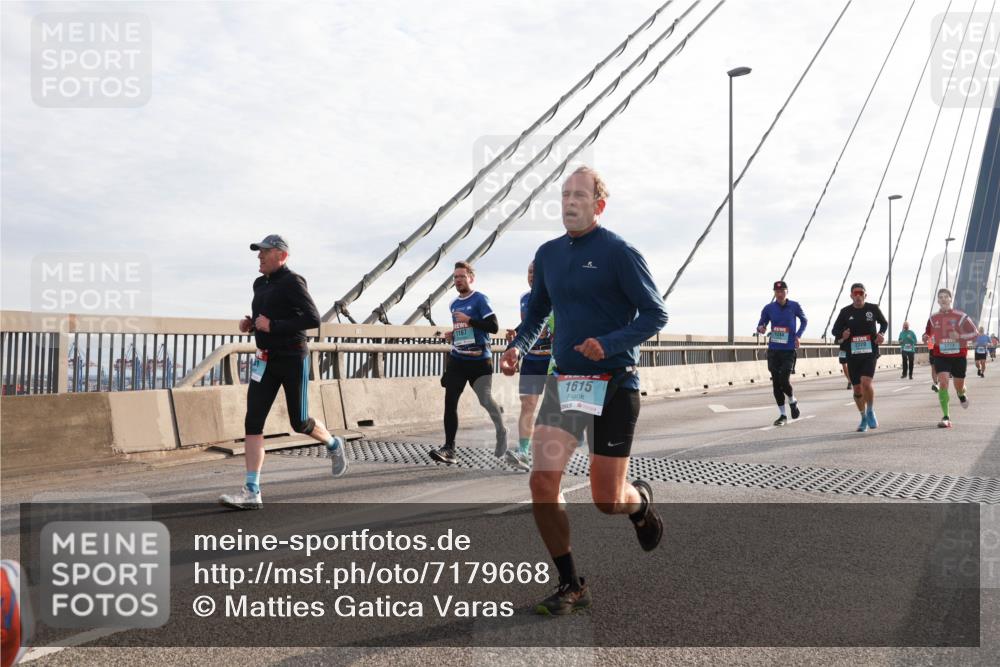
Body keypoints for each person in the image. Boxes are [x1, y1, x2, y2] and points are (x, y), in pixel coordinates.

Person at [501, 166, 668, 616]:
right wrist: (517, 346)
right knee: (542, 480)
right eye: (564, 195)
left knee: (605, 498)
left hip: (615, 382)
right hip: (568, 382)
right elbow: (536, 313)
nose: (569, 202)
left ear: (598, 205)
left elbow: (656, 314)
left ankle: (640, 505)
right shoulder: (549, 254)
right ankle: (571, 583)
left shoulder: (619, 252)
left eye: (579, 195)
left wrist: (609, 344)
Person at [220, 235, 348, 511]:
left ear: (281, 255)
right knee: (252, 422)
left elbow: (312, 319)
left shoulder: (293, 281)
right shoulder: (259, 284)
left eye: (264, 252)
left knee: (299, 421)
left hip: (292, 358)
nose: (259, 257)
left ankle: (333, 443)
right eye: (259, 252)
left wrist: (273, 325)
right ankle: (252, 490)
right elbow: (266, 318)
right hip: (264, 360)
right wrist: (252, 325)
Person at [429, 261, 510, 465]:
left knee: (485, 401)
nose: (458, 280)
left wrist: (469, 320)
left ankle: (501, 431)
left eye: (462, 276)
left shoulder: (481, 299)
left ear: (471, 278)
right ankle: (449, 449)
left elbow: (493, 326)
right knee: (450, 403)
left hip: (479, 362)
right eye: (455, 277)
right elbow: (465, 330)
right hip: (458, 359)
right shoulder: (453, 304)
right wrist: (453, 334)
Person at [504, 262, 550, 470]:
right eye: (529, 271)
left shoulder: (555, 296)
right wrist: (515, 340)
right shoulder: (524, 299)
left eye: (536, 272)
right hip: (532, 360)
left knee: (554, 410)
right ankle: (523, 452)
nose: (532, 275)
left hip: (552, 361)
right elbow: (529, 324)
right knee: (528, 406)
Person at [831, 283, 887, 432]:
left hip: (870, 352)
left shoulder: (873, 309)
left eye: (860, 293)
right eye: (855, 293)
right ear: (851, 296)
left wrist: (881, 334)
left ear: (865, 295)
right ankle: (863, 417)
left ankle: (870, 411)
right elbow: (834, 330)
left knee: (866, 382)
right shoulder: (845, 312)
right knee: (857, 388)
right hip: (852, 354)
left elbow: (884, 323)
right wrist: (842, 335)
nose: (858, 296)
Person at [924, 288, 979, 427]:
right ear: (937, 301)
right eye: (940, 297)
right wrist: (926, 337)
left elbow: (975, 334)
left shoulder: (961, 316)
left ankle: (961, 394)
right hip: (940, 355)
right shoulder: (932, 318)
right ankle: (946, 417)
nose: (943, 299)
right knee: (943, 383)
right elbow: (928, 335)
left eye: (945, 297)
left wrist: (960, 336)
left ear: (950, 299)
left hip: (958, 356)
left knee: (958, 386)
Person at [756, 280, 807, 426]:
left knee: (784, 380)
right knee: (776, 383)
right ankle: (782, 415)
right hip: (774, 350)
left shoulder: (794, 306)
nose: (779, 294)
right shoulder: (769, 308)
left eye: (782, 291)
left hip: (789, 349)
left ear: (787, 292)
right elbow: (761, 323)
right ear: (774, 293)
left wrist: (798, 335)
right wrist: (761, 328)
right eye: (777, 292)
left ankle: (792, 400)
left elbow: (804, 320)